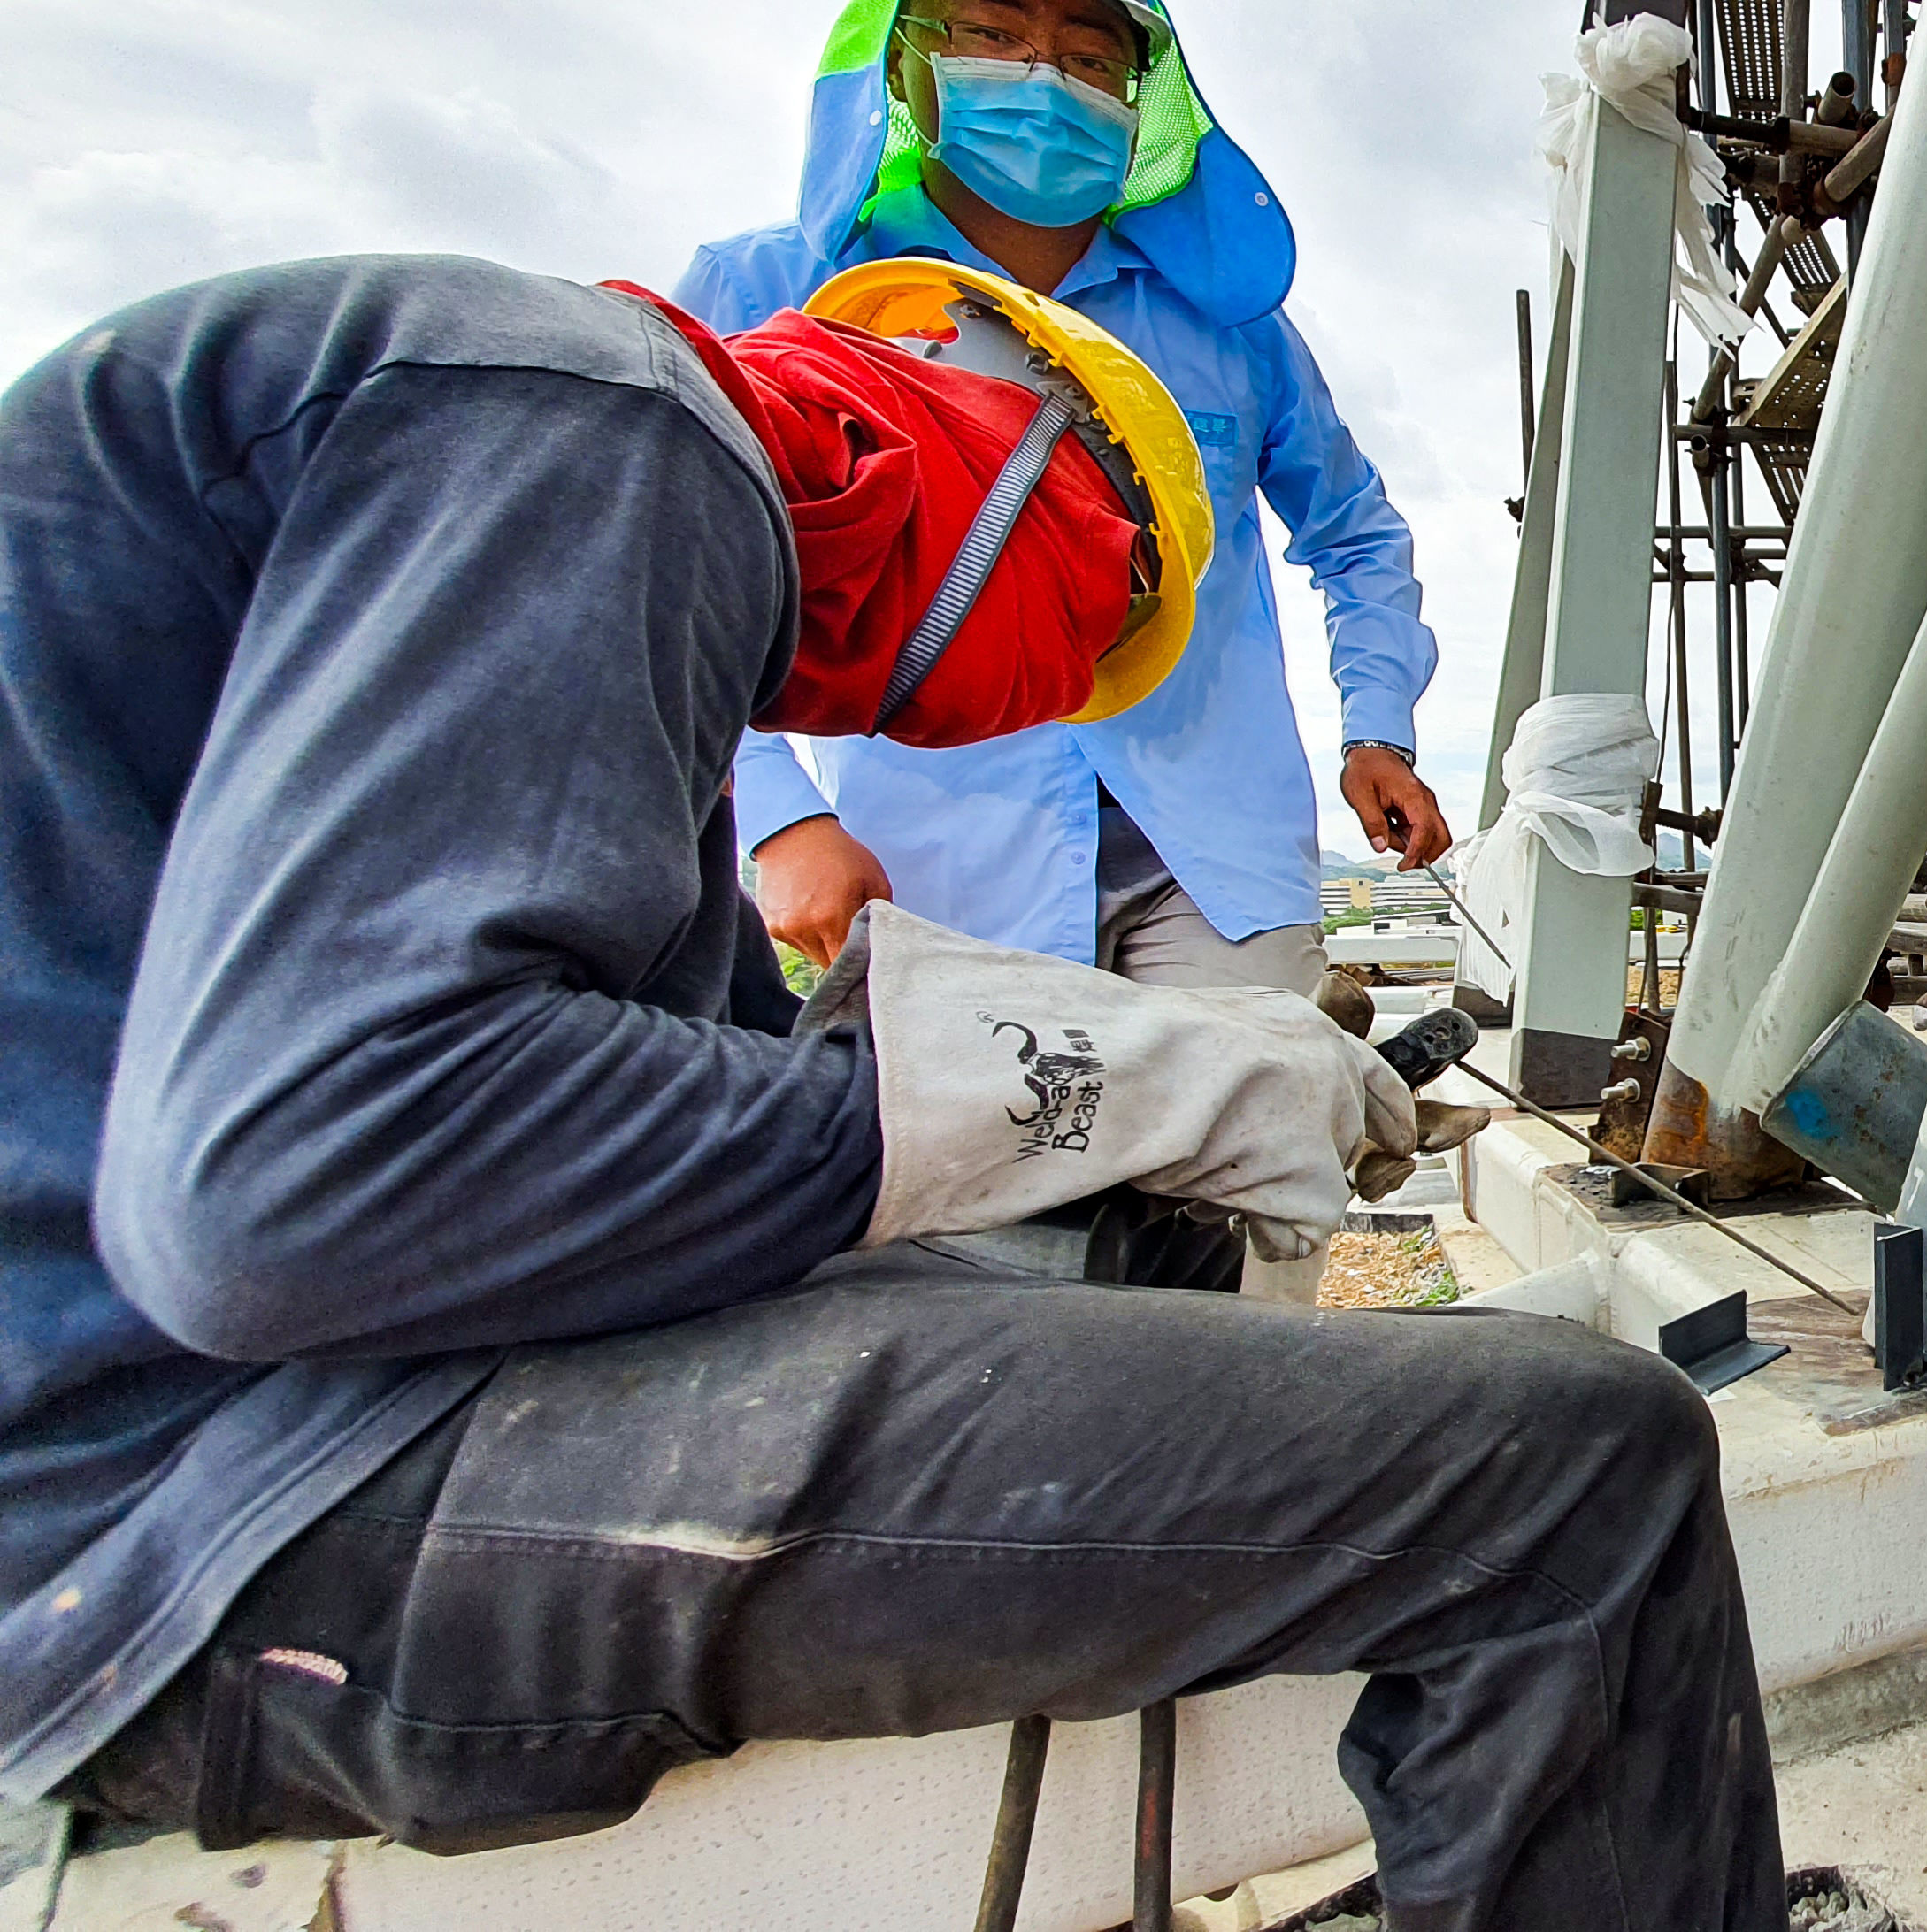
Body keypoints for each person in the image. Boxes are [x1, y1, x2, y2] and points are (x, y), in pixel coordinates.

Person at [0, 254, 1781, 1931]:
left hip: (205, 1452)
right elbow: (291, 1182)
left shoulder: (530, 517)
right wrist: (1078, 1079)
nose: (1044, 703)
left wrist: (1070, 1143)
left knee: (1134, 1292)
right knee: (1577, 1463)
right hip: (201, 1511)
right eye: (1090, 620)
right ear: (989, 439)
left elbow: (604, 1136)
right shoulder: (606, 418)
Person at [679, 0, 1451, 1011]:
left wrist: (1378, 730)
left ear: (1141, 104)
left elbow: (1354, 530)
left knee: (1248, 1148)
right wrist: (780, 819)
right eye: (991, 35)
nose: (1045, 77)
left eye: (1091, 55)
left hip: (1217, 856)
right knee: (994, 1166)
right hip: (937, 866)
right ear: (904, 67)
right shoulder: (774, 289)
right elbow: (674, 578)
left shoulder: (1229, 324)